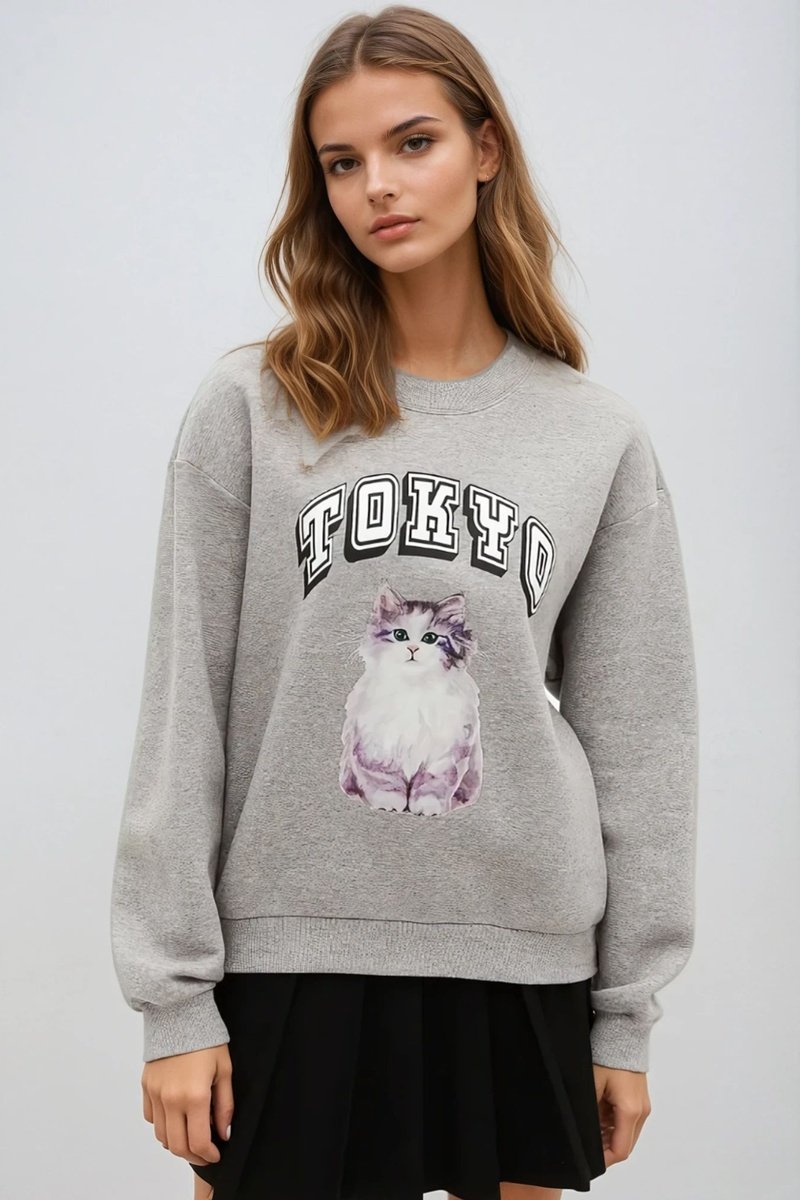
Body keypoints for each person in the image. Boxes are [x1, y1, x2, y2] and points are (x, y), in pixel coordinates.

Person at [109, 6, 699, 1200]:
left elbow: (642, 741)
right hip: (290, 953)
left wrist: (623, 1015)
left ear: (485, 149)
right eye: (341, 162)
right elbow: (185, 712)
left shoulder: (591, 435)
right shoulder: (254, 408)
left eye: (412, 142)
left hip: (524, 957)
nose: (376, 185)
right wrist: (174, 999)